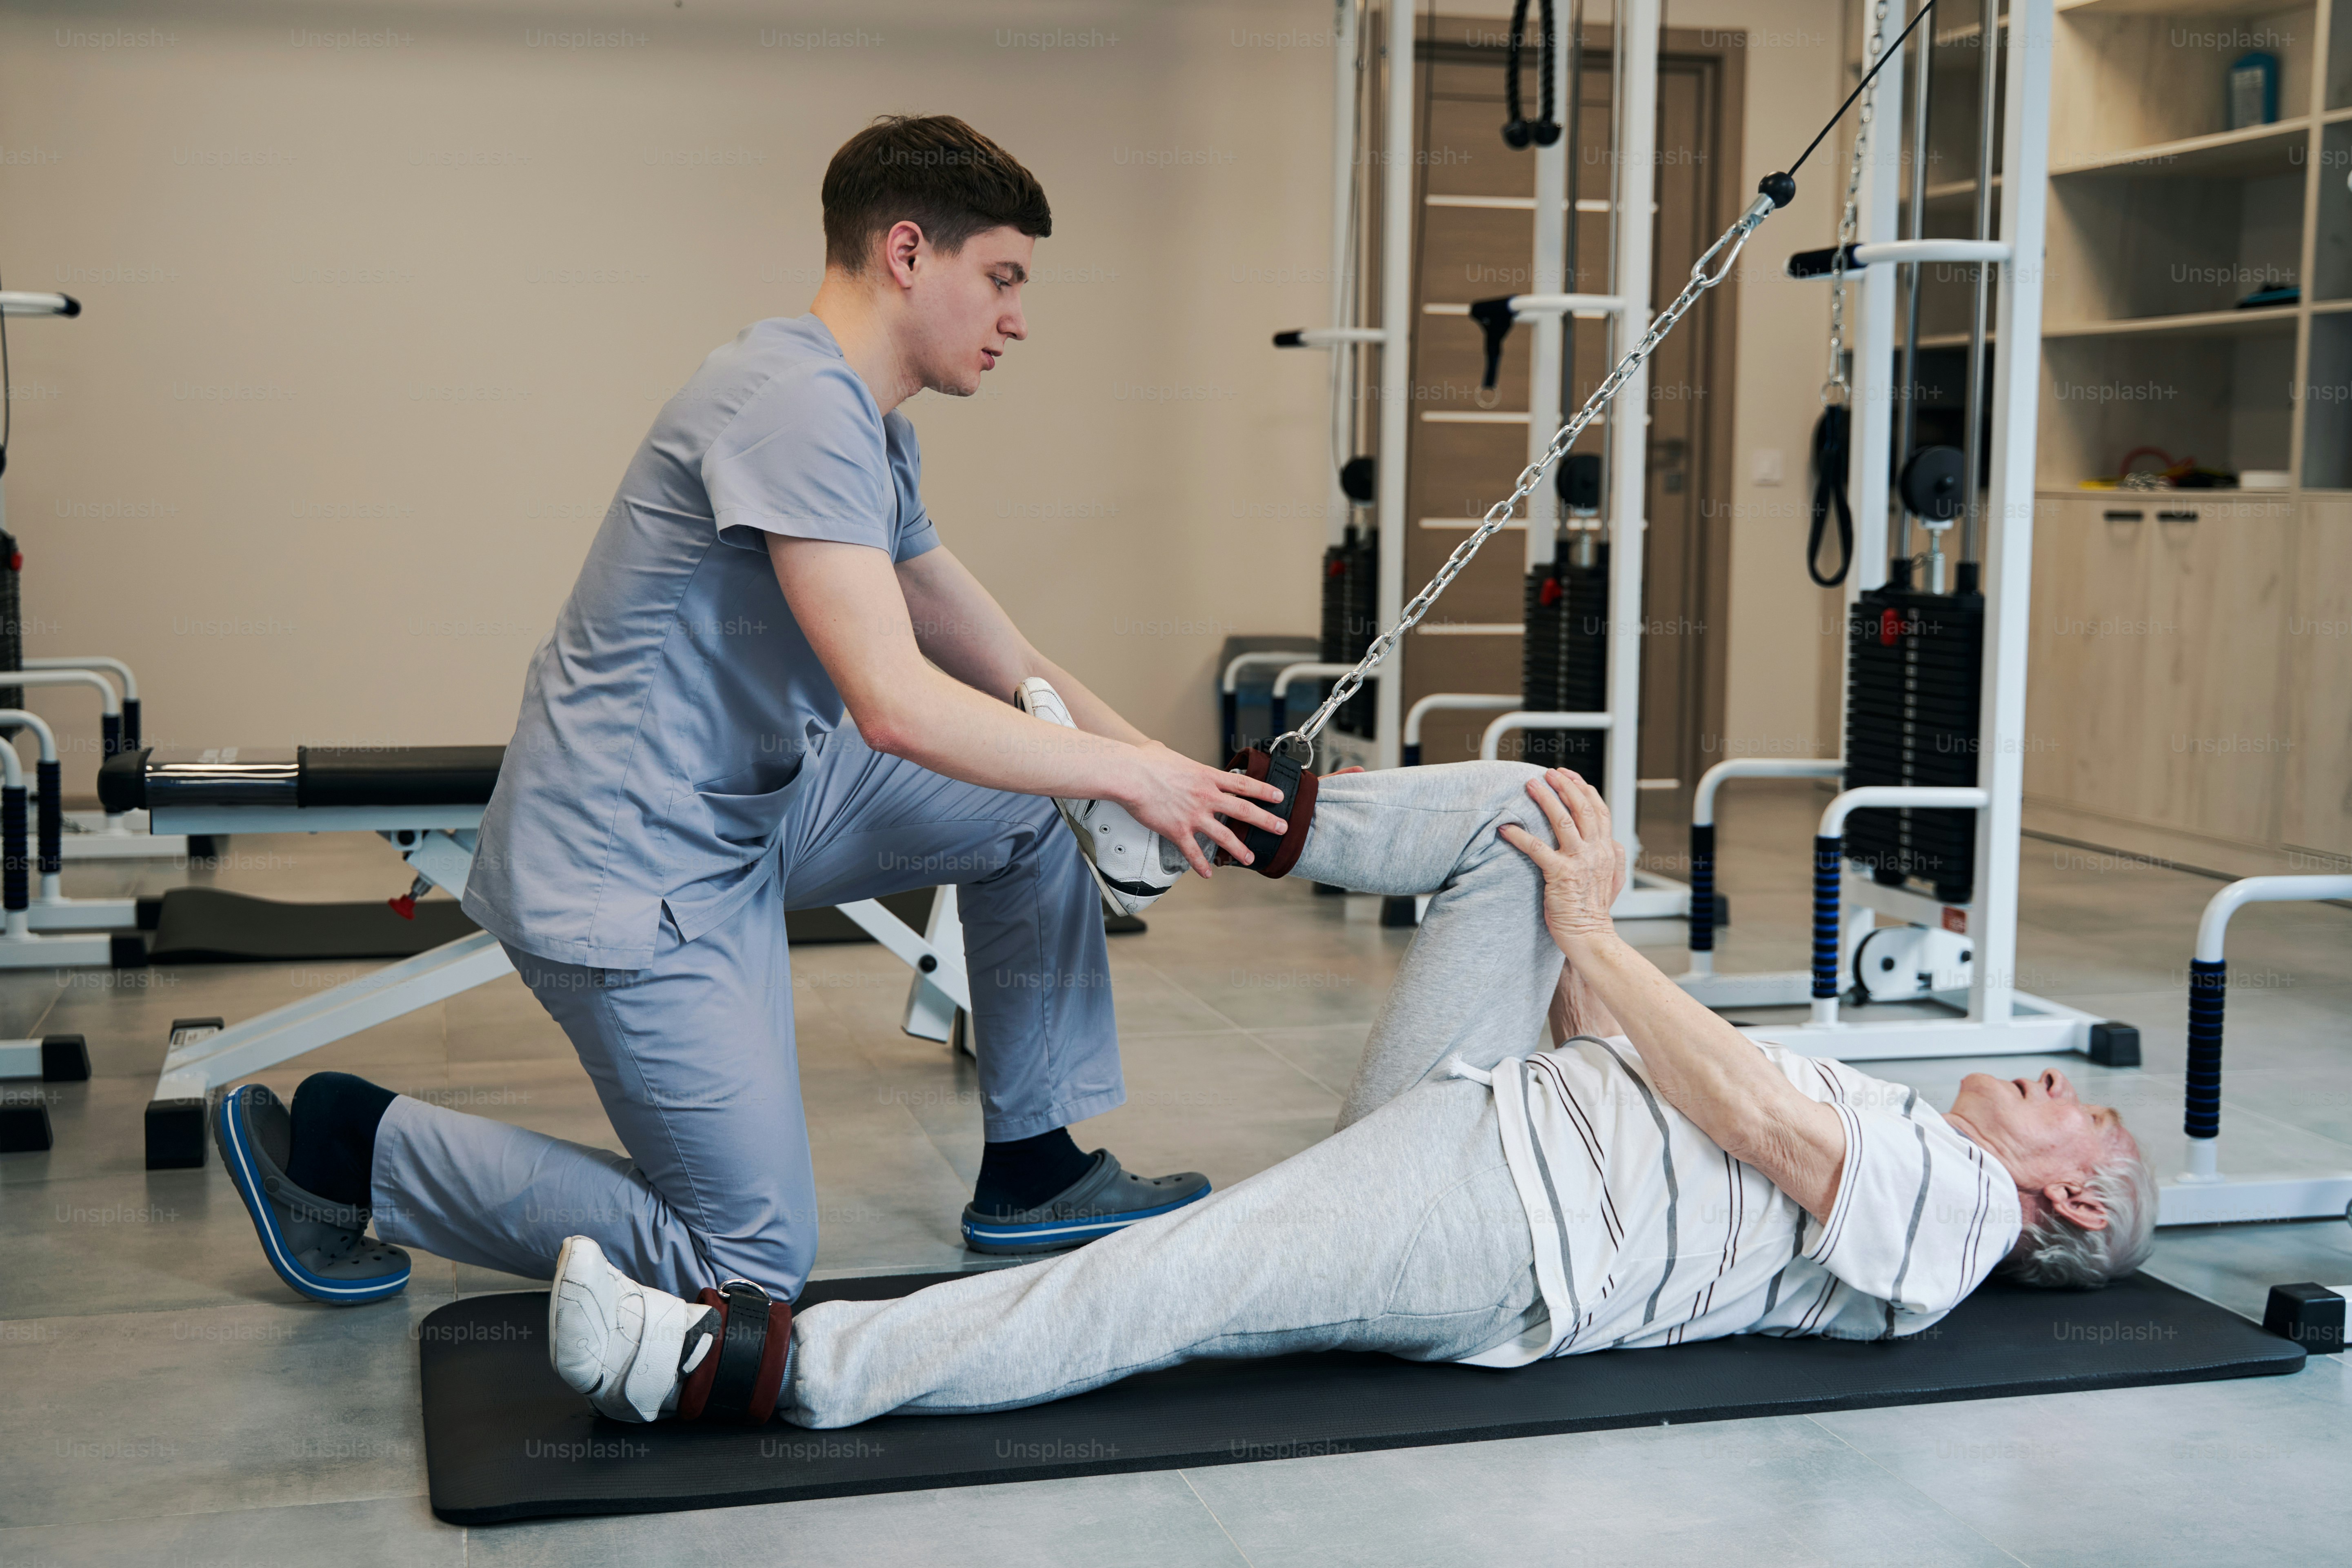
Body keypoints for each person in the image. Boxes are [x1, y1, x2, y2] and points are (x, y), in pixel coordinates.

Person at [208, 114, 1301, 1313]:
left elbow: (999, 654)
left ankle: (1034, 1171)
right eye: (1000, 278)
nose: (1017, 318)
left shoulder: (866, 423)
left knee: (1031, 806)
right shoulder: (794, 405)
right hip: (627, 865)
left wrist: (1170, 772)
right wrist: (1129, 780)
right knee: (746, 1264)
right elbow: (892, 704)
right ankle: (347, 1148)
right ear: (904, 253)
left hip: (750, 807)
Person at [545, 762, 2160, 1427]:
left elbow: (1755, 1120)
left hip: (1509, 1223)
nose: (2042, 1081)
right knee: (1532, 808)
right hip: (1505, 1105)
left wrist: (1591, 928)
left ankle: (746, 1369)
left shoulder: (1952, 1216)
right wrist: (1572, 932)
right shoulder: (1913, 1141)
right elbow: (1632, 1047)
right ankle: (1169, 813)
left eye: (2075, 1111)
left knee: (1162, 1281)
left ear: (2069, 1194)